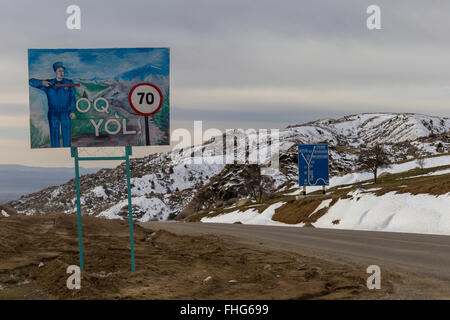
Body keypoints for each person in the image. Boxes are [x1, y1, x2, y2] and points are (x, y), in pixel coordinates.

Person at [29, 62, 76, 148]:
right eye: (59, 71)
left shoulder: (69, 83)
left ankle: (67, 154)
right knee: (54, 137)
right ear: (55, 72)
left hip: (66, 112)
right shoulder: (49, 83)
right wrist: (42, 83)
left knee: (66, 135)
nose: (61, 73)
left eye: (63, 71)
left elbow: (72, 98)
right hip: (53, 113)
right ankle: (56, 153)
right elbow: (30, 82)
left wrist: (72, 110)